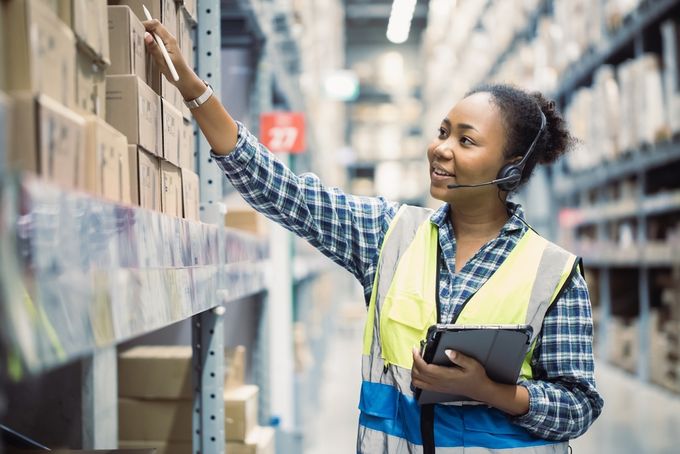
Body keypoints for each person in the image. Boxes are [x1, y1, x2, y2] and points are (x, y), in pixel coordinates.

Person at [143, 18, 603, 454]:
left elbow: (578, 406)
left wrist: (492, 392)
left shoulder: (553, 273)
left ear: (511, 169)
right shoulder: (391, 234)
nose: (441, 148)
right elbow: (282, 193)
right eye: (443, 131)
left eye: (466, 140)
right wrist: (193, 90)